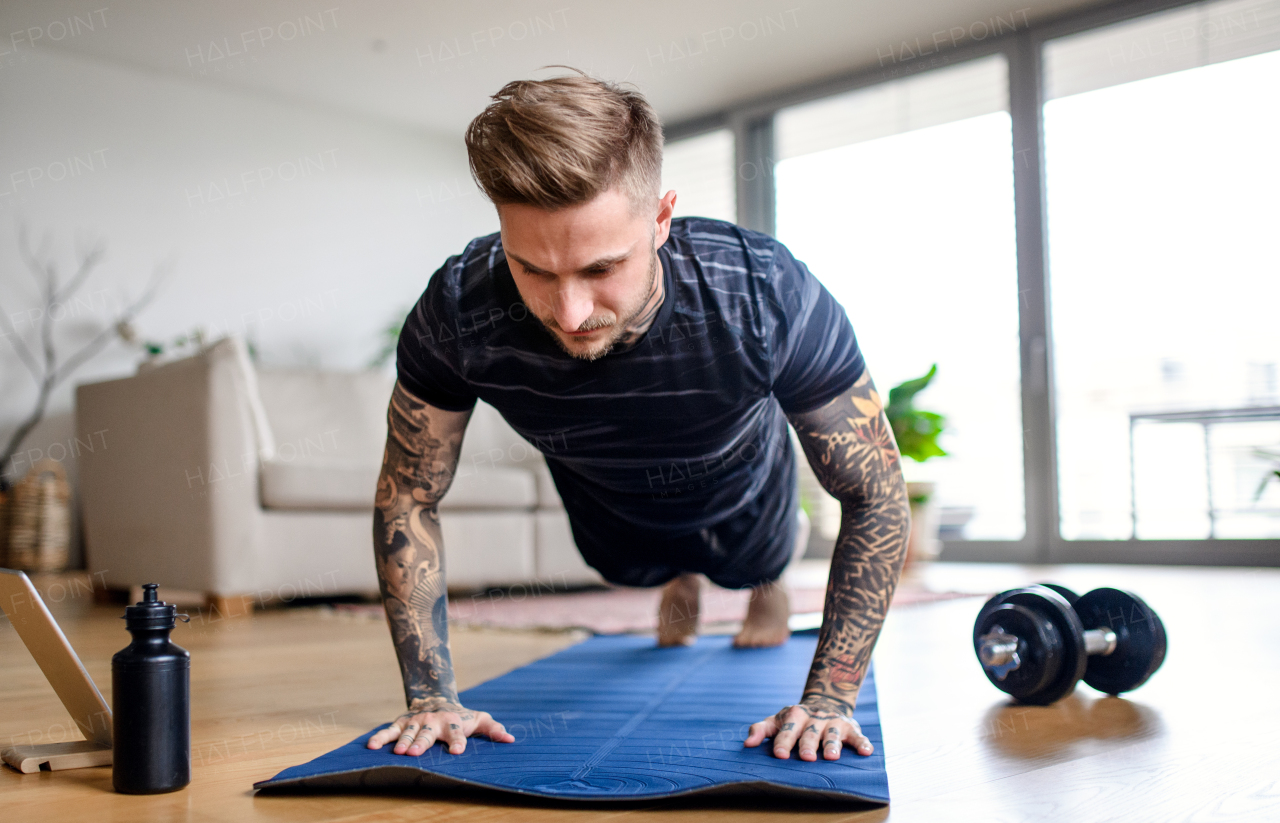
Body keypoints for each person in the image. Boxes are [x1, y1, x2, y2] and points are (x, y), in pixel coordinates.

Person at [365, 69, 910, 765]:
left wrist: (831, 697)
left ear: (661, 219)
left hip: (741, 482)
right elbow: (408, 493)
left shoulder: (764, 292)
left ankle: (763, 581)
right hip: (606, 499)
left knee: (756, 562)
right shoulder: (459, 310)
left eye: (600, 269)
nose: (570, 313)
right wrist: (430, 694)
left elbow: (876, 489)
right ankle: (679, 576)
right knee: (638, 574)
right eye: (533, 269)